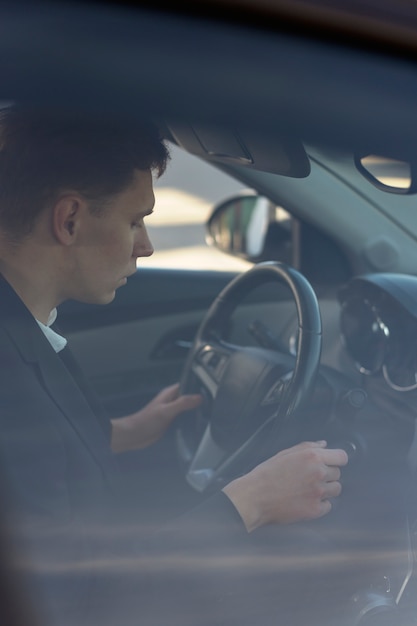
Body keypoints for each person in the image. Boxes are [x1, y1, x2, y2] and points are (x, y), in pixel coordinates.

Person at [0, 104, 348, 626]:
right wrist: (249, 502)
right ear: (68, 219)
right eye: (135, 220)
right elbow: (78, 606)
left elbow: (43, 462)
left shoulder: (22, 326)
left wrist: (126, 431)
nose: (147, 245)